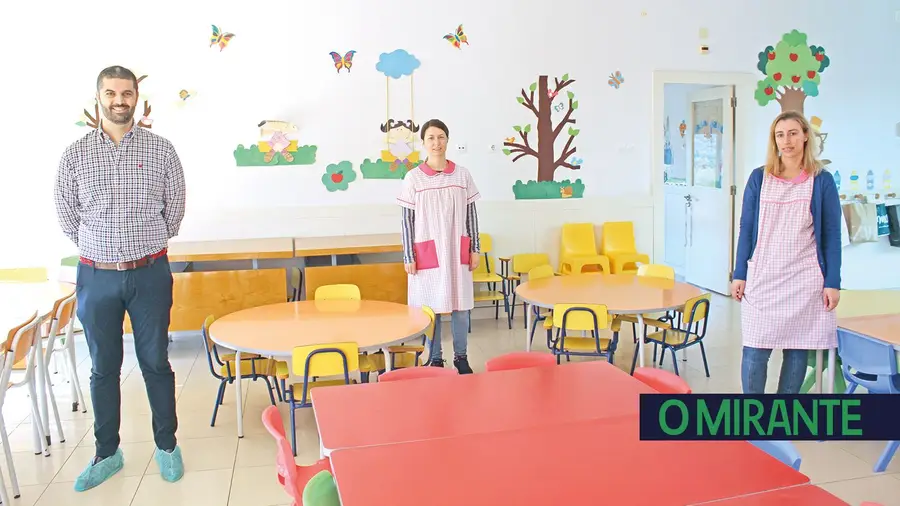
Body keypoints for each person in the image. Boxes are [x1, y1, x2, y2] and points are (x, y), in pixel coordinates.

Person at [53, 65, 187, 491]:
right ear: (99, 98)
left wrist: (144, 245)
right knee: (103, 368)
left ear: (136, 98)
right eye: (111, 93)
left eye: (126, 93)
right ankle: (107, 453)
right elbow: (67, 215)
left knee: (155, 363)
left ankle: (167, 446)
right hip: (96, 277)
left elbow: (175, 210)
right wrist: (101, 250)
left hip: (150, 273)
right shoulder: (75, 155)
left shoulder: (161, 150)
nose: (119, 100)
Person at [731, 110, 842, 394]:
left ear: (805, 136)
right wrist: (739, 273)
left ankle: (783, 413)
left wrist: (833, 282)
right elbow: (746, 228)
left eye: (793, 133)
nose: (787, 141)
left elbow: (831, 235)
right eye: (780, 135)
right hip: (762, 277)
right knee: (755, 350)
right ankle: (752, 413)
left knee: (797, 350)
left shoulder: (822, 180)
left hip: (804, 279)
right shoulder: (759, 178)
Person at [397, 119, 481, 374]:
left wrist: (475, 248)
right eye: (431, 138)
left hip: (457, 250)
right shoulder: (413, 178)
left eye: (441, 137)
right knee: (430, 308)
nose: (436, 143)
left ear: (447, 140)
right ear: (423, 143)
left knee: (460, 307)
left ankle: (461, 357)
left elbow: (471, 214)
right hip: (427, 253)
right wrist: (408, 255)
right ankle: (434, 358)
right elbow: (407, 220)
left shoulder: (462, 175)